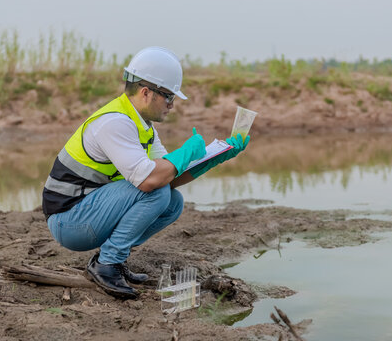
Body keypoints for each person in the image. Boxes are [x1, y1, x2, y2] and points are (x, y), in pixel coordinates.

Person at [42, 46, 250, 298]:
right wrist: (184, 153)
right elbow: (150, 181)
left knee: (173, 202)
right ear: (146, 92)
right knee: (155, 193)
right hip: (69, 222)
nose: (172, 105)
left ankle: (112, 260)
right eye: (169, 97)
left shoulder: (142, 126)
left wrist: (214, 157)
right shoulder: (114, 122)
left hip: (88, 214)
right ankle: (106, 264)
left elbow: (167, 178)